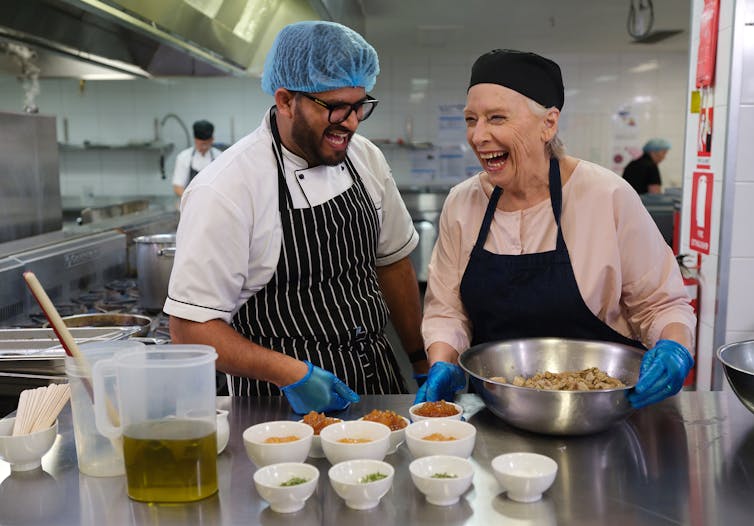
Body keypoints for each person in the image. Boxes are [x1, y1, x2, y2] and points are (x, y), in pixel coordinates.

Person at [164, 21, 426, 414]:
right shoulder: (226, 188)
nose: (351, 123)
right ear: (285, 100)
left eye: (359, 106)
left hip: (378, 387)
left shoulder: (365, 157)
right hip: (279, 405)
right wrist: (292, 374)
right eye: (335, 107)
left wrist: (420, 358)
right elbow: (189, 332)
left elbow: (391, 262)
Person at [415, 49, 695, 410]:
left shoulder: (606, 195)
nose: (478, 135)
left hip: (602, 411)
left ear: (548, 124)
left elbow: (662, 304)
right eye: (471, 119)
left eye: (496, 118)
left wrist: (673, 347)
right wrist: (444, 360)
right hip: (499, 410)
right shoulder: (462, 203)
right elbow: (447, 311)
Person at [171, 119, 221, 197]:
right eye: (201, 144)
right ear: (195, 140)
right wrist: (192, 201)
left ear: (212, 140)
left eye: (206, 143)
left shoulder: (220, 157)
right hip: (190, 202)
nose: (204, 147)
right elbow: (177, 187)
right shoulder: (184, 157)